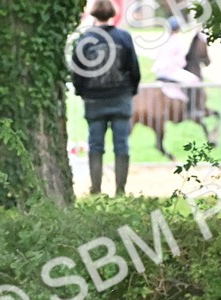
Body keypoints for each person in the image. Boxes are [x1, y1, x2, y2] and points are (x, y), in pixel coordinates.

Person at [70, 0, 141, 196]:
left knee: (95, 145)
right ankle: (120, 189)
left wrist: (82, 92)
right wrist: (131, 90)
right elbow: (134, 69)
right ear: (112, 14)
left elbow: (78, 72)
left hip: (94, 101)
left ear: (93, 14)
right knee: (122, 145)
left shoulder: (85, 39)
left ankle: (96, 188)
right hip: (121, 98)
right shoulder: (123, 37)